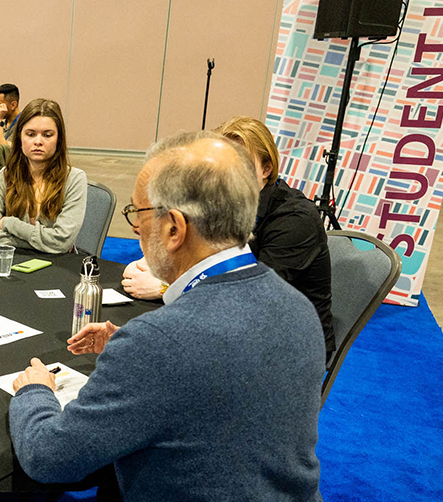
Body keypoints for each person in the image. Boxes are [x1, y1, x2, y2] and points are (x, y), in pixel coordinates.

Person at [0, 132, 327, 502]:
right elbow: (221, 387)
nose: (136, 226)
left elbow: (49, 459)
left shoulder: (164, 343)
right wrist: (133, 351)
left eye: (139, 214)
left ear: (174, 228)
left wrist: (34, 391)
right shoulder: (295, 307)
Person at [122, 117, 335, 356]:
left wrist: (165, 288)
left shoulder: (295, 219)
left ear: (266, 169)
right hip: (235, 325)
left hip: (286, 346)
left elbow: (252, 294)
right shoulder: (221, 204)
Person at [0, 99, 86, 253]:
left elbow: (60, 242)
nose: (38, 142)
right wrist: (41, 244)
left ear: (59, 139)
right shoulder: (6, 175)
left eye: (47, 135)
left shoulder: (74, 179)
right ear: (20, 137)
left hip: (58, 267)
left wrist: (10, 224)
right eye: (30, 134)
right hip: (15, 265)